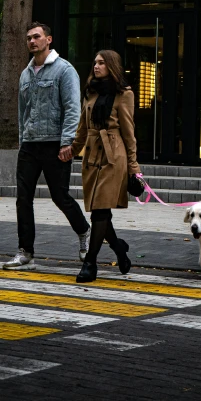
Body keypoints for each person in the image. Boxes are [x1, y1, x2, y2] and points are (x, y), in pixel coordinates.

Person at [4, 22, 91, 270]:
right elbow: (23, 113)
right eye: (29, 38)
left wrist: (68, 143)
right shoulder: (25, 74)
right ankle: (25, 252)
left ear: (48, 39)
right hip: (30, 146)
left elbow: (74, 109)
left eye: (37, 37)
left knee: (60, 197)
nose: (32, 41)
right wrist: (22, 142)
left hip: (55, 144)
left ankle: (84, 231)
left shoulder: (65, 71)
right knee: (23, 199)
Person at [71, 50, 140, 283]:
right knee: (100, 211)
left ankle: (90, 263)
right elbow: (82, 127)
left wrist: (134, 167)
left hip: (113, 156)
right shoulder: (90, 92)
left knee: (101, 210)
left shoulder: (124, 94)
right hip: (91, 155)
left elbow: (129, 134)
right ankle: (119, 248)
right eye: (95, 62)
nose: (96, 66)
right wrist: (71, 150)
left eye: (101, 62)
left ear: (112, 66)